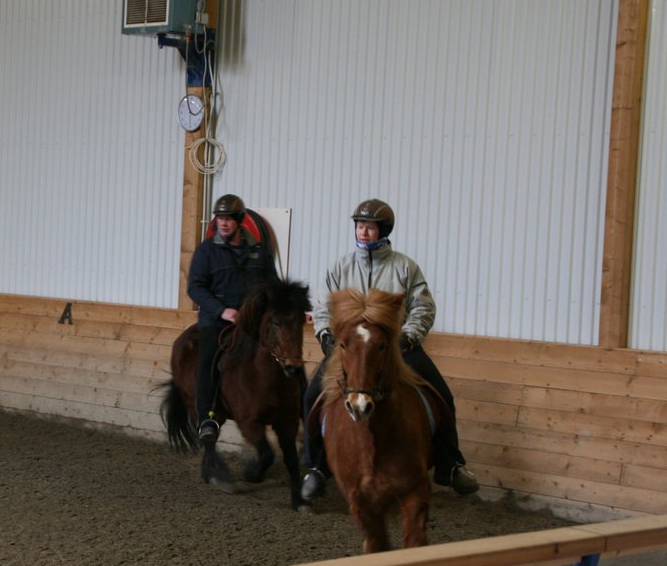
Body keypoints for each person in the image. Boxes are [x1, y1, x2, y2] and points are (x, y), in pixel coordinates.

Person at [301, 198, 479, 500]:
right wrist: (326, 335)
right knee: (311, 396)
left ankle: (450, 464)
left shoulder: (404, 267)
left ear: (383, 230)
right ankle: (316, 466)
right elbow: (322, 306)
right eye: (359, 226)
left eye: (369, 227)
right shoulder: (340, 267)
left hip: (396, 347)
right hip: (351, 349)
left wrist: (408, 337)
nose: (363, 232)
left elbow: (423, 307)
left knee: (442, 394)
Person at [186, 193, 279, 444]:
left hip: (252, 322)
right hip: (215, 322)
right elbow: (195, 287)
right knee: (207, 361)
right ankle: (207, 418)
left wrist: (288, 308)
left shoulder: (259, 252)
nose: (223, 223)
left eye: (228, 219)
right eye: (220, 219)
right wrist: (221, 310)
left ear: (239, 221)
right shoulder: (206, 251)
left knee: (283, 354)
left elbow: (273, 285)